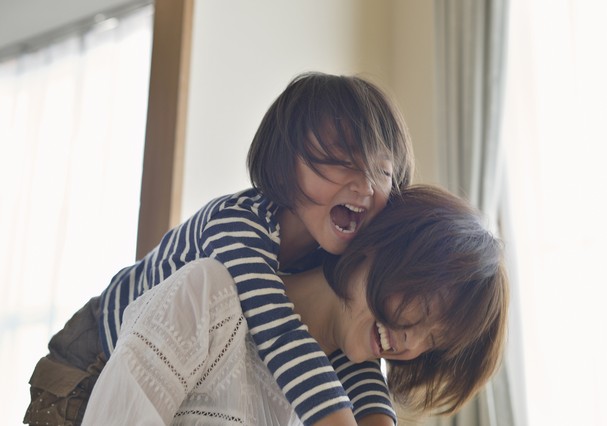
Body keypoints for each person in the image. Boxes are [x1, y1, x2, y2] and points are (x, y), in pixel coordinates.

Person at [24, 72, 414, 426]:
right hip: (92, 355)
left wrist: (379, 416)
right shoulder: (237, 225)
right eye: (343, 161)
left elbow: (351, 348)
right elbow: (278, 330)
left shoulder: (333, 254)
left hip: (174, 374)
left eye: (382, 171)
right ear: (285, 165)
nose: (365, 186)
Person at [81, 185, 509, 425]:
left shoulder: (351, 394)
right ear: (381, 246)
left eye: (433, 341)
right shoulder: (210, 290)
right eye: (422, 306)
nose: (410, 340)